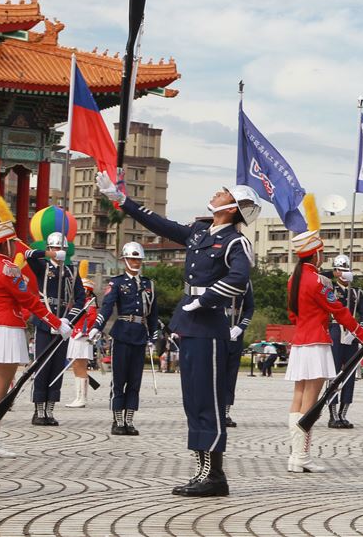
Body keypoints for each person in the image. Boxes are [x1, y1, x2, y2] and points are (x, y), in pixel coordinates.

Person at [98, 172, 258, 498]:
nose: (216, 192)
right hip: (190, 325)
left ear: (231, 208)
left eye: (223, 192)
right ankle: (204, 471)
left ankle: (214, 475)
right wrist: (121, 200)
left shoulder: (235, 241)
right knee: (193, 400)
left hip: (209, 324)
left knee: (207, 402)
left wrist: (204, 299)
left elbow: (240, 279)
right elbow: (160, 223)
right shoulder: (201, 232)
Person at [0, 191, 71, 457]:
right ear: (5, 244)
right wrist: (56, 322)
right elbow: (30, 300)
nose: (15, 246)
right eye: (12, 242)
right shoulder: (7, 268)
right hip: (6, 331)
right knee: (0, 389)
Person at [284, 197, 363, 473]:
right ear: (315, 255)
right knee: (312, 400)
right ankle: (302, 456)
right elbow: (340, 312)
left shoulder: (294, 279)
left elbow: (292, 314)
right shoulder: (319, 281)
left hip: (300, 342)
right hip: (316, 342)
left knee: (298, 397)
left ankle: (294, 455)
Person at [89, 242, 158, 435]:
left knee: (135, 380)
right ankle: (118, 420)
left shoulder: (148, 284)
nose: (135, 262)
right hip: (122, 333)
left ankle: (129, 420)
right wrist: (97, 327)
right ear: (124, 260)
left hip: (139, 334)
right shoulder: (117, 283)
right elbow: (107, 307)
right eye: (132, 259)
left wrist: (153, 336)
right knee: (119, 379)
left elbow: (153, 313)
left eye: (138, 259)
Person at [25, 232, 86, 426]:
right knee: (42, 366)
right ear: (49, 249)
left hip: (64, 326)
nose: (59, 252)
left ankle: (50, 409)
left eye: (62, 249)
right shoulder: (42, 267)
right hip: (45, 321)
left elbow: (80, 299)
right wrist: (48, 255)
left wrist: (68, 321)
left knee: (57, 368)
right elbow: (28, 254)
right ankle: (39, 410)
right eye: (55, 248)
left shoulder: (71, 272)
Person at [327, 255, 363, 429]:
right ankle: (333, 414)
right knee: (334, 374)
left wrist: (357, 331)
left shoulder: (357, 292)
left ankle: (344, 413)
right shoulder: (329, 289)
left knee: (350, 375)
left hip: (352, 334)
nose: (344, 274)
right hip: (336, 332)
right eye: (340, 270)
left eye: (347, 270)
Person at [64, 261, 99, 409]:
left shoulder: (89, 303)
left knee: (80, 368)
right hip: (75, 336)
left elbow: (91, 319)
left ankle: (82, 398)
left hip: (82, 337)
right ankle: (79, 396)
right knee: (76, 367)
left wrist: (81, 332)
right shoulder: (81, 302)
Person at [225, 281, 254, 427]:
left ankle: (225, 411)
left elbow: (249, 308)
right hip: (216, 329)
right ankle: (212, 410)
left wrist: (241, 327)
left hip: (235, 331)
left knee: (231, 373)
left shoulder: (245, 282)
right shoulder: (214, 275)